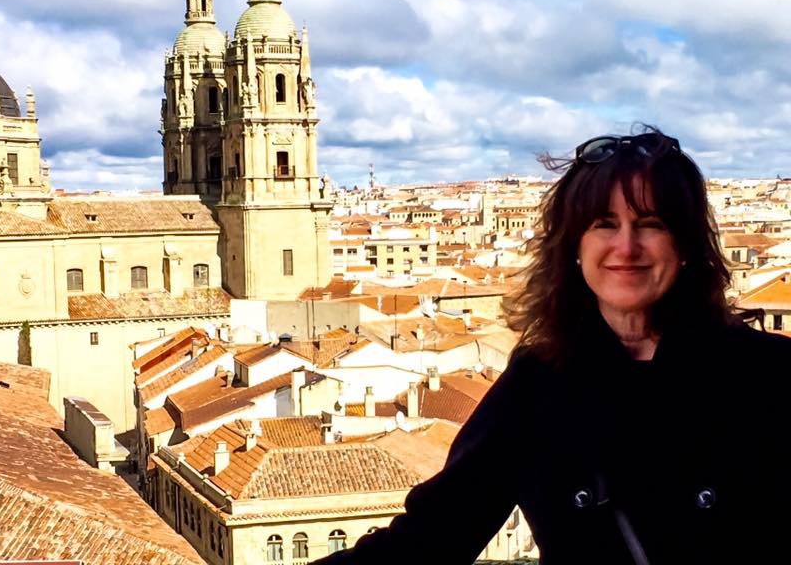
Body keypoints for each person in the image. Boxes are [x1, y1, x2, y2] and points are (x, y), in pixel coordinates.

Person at [312, 129, 791, 564]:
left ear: (685, 247)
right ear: (574, 246)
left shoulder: (767, 375)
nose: (626, 247)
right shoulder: (540, 384)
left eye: (651, 223)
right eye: (604, 224)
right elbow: (432, 536)